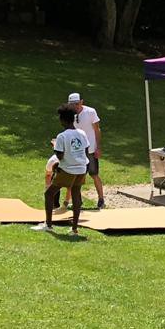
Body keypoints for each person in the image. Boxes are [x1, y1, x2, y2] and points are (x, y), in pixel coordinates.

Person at [41, 105, 92, 234]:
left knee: (49, 194)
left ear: (63, 120)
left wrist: (55, 147)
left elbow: (60, 156)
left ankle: (48, 225)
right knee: (76, 196)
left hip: (68, 169)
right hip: (82, 169)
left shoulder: (62, 136)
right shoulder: (82, 133)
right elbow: (85, 151)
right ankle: (74, 229)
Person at [65, 92, 106, 209]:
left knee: (94, 174)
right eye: (73, 105)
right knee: (76, 176)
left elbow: (97, 130)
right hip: (76, 149)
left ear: (81, 102)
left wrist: (98, 147)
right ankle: (77, 201)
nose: (75, 107)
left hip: (91, 148)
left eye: (77, 104)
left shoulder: (90, 112)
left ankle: (101, 199)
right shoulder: (69, 114)